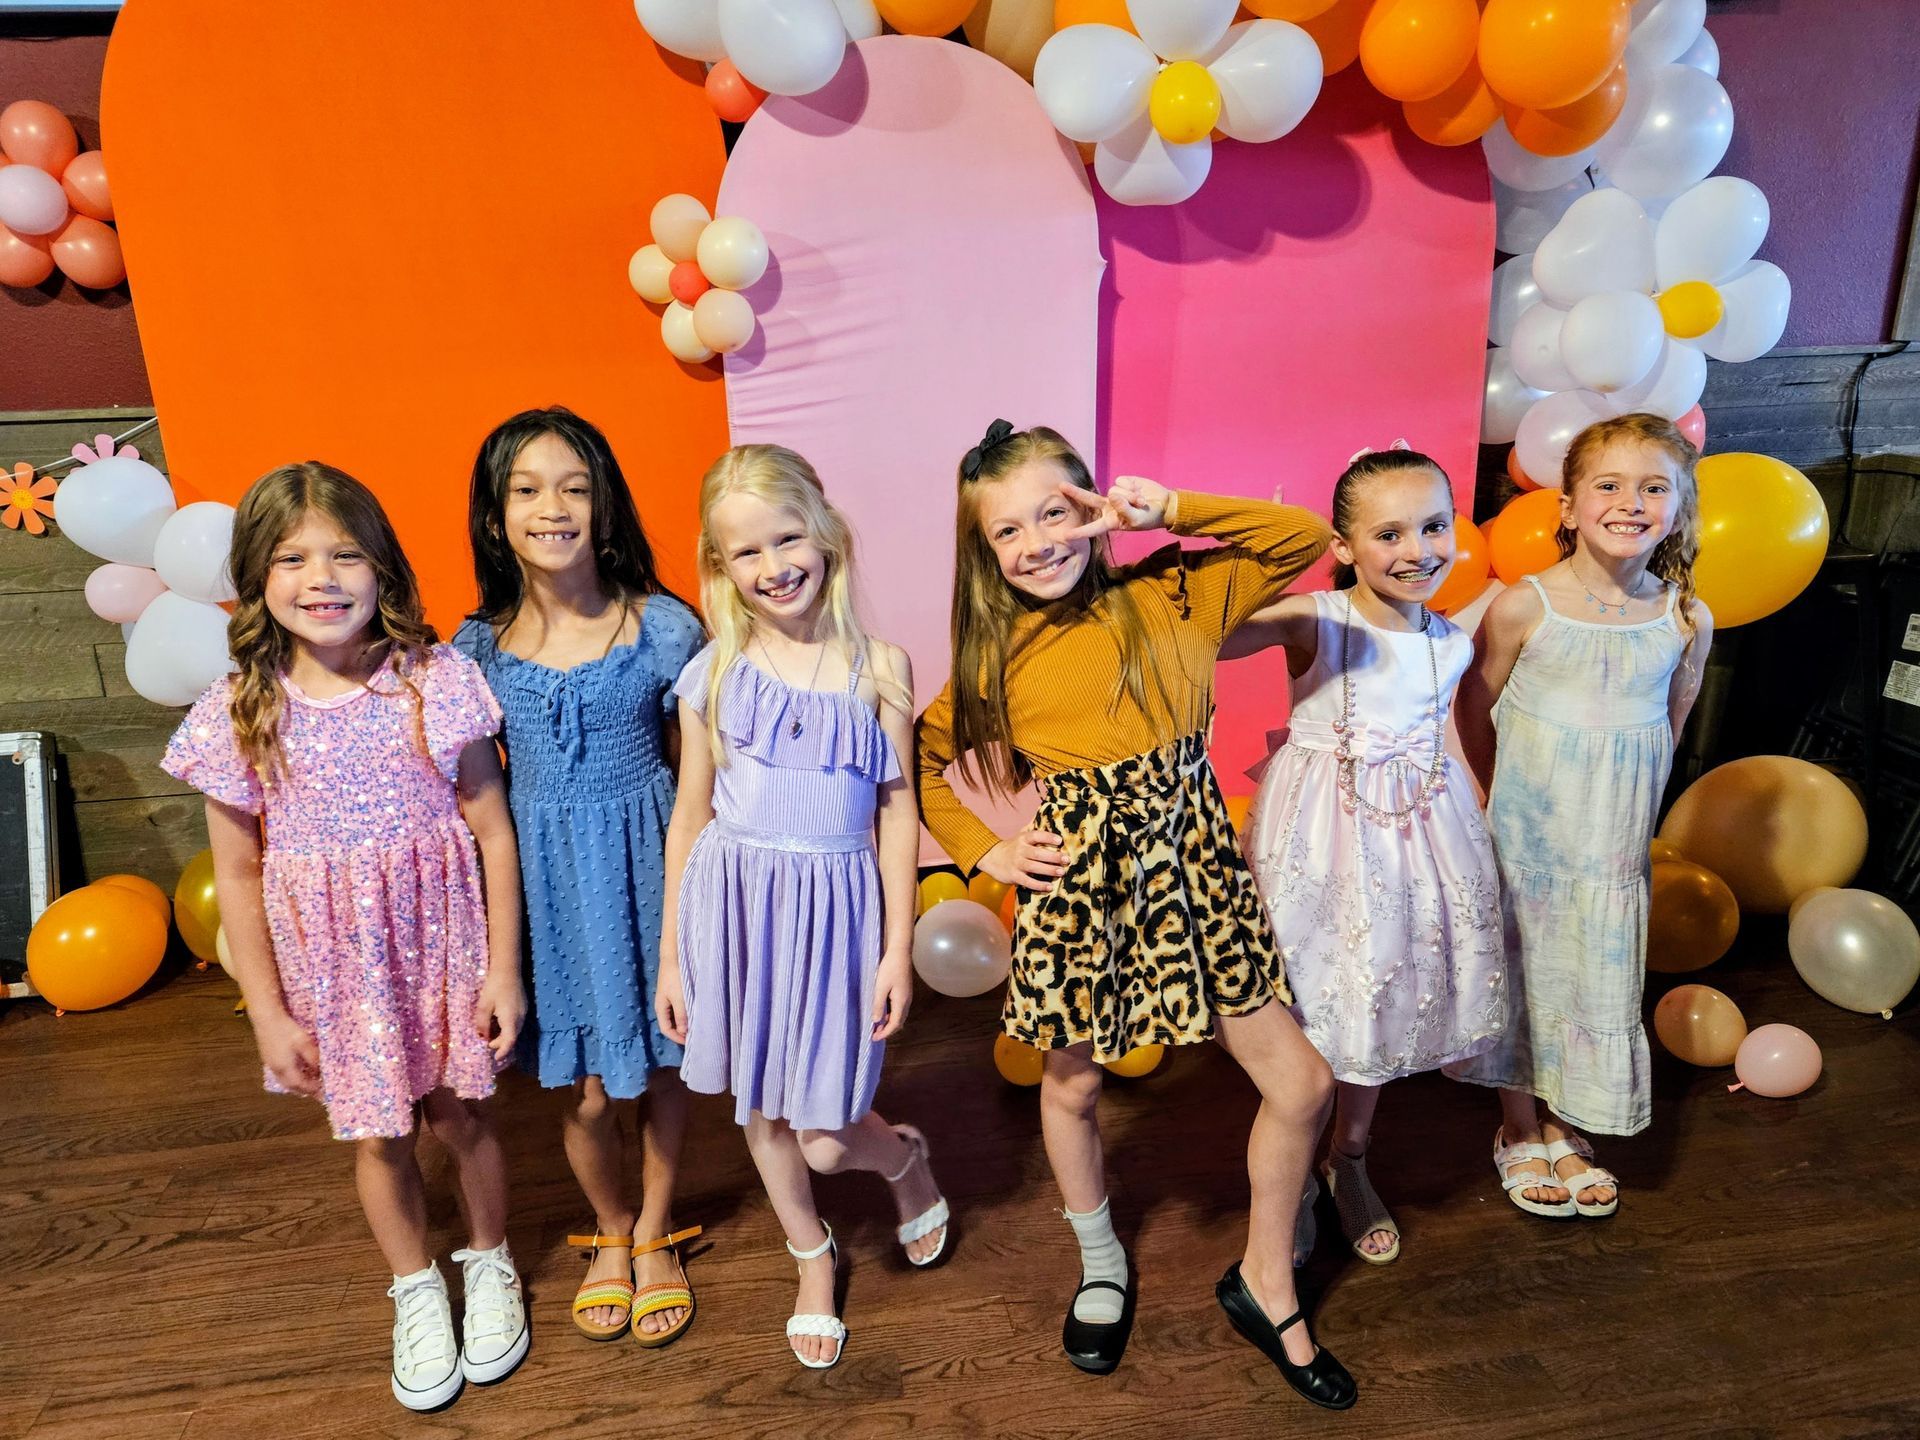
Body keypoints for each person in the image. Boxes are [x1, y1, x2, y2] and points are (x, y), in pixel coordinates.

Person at [164, 462, 527, 1411]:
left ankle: (489, 1262)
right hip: (336, 966)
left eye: (344, 555)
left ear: (382, 569)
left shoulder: (434, 681)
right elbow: (238, 873)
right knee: (379, 1135)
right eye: (291, 558)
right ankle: (415, 1288)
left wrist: (504, 970)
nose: (320, 578)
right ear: (256, 576)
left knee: (463, 1114)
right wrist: (266, 1015)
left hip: (438, 940)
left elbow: (493, 829)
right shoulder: (239, 709)